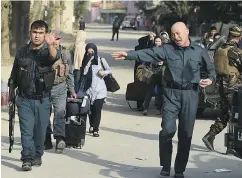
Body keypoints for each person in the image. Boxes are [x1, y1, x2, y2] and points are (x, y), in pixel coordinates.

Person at [111, 22, 216, 178]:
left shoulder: (199, 51)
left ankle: (179, 170)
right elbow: (150, 53)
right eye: (173, 34)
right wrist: (128, 54)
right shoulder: (168, 49)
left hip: (190, 95)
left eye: (178, 33)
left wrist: (211, 79)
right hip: (171, 94)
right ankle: (166, 166)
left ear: (187, 31)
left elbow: (211, 69)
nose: (176, 37)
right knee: (168, 130)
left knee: (185, 135)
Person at [8, 20, 59, 171]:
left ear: (45, 35)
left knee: (41, 131)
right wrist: (10, 93)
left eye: (41, 33)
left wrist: (50, 45)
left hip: (43, 99)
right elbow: (14, 74)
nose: (37, 36)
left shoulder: (48, 51)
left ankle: (38, 154)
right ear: (30, 33)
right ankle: (27, 158)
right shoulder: (22, 51)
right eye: (34, 32)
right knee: (26, 130)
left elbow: (54, 58)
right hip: (24, 98)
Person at [202, 26, 242, 151]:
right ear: (239, 37)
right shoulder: (235, 51)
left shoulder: (220, 49)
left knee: (227, 112)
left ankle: (210, 136)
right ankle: (232, 145)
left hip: (221, 85)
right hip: (232, 86)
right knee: (236, 114)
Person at [44, 30, 77, 153]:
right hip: (45, 89)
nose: (55, 41)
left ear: (60, 40)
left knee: (59, 113)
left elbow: (70, 73)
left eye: (57, 39)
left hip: (60, 87)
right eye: (53, 39)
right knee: (44, 115)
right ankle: (46, 137)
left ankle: (59, 138)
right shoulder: (43, 52)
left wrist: (72, 89)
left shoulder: (65, 53)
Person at [78, 43, 112, 137]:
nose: (90, 54)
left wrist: (103, 72)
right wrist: (89, 61)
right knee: (90, 110)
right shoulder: (85, 61)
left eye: (92, 52)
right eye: (88, 52)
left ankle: (96, 129)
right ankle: (92, 125)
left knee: (98, 110)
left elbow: (109, 70)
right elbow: (84, 73)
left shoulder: (101, 60)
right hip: (89, 90)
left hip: (100, 89)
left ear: (95, 51)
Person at [143, 36, 163, 116]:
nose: (157, 42)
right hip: (152, 73)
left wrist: (163, 62)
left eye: (159, 41)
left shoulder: (164, 50)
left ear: (161, 42)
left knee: (160, 92)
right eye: (156, 41)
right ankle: (145, 108)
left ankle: (158, 109)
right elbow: (147, 60)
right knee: (149, 91)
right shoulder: (152, 50)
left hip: (161, 73)